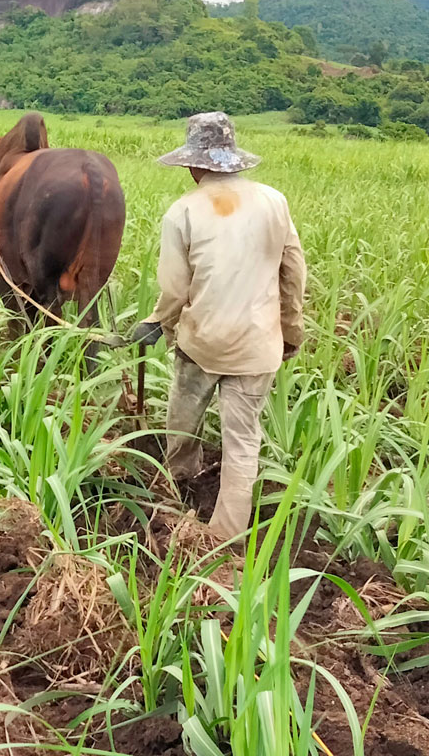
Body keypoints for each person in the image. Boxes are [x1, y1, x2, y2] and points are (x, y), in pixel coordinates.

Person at [129, 112, 306, 538]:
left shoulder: (183, 211)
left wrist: (157, 322)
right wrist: (291, 329)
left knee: (184, 416)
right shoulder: (274, 201)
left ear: (193, 165)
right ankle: (225, 533)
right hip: (257, 345)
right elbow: (294, 271)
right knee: (243, 441)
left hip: (203, 341)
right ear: (233, 160)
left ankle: (177, 484)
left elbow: (175, 287)